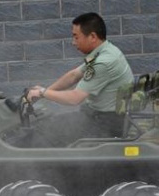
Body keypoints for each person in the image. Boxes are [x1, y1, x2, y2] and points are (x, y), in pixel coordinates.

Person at [25, 13, 134, 146]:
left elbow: (75, 98)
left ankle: (37, 165)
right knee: (48, 124)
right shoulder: (107, 51)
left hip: (105, 124)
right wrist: (45, 91)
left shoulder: (103, 62)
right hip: (103, 118)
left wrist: (43, 93)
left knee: (44, 131)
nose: (73, 42)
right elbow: (74, 75)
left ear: (93, 36)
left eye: (76, 37)